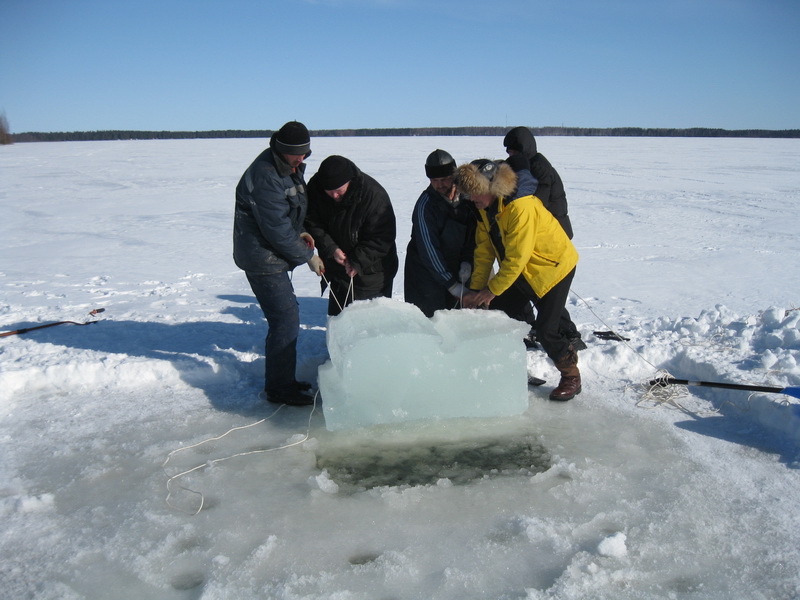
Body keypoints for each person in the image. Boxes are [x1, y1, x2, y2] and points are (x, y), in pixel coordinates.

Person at [458, 159, 582, 401]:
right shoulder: (485, 210)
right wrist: (476, 291)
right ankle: (506, 367)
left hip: (552, 269)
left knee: (547, 330)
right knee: (500, 314)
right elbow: (484, 253)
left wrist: (491, 290)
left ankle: (571, 375)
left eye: (475, 193)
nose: (471, 199)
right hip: (522, 271)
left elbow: (517, 258)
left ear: (490, 188)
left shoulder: (519, 207)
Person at [233, 121, 325, 406]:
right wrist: (308, 256)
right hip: (262, 257)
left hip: (274, 253)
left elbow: (287, 216)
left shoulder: (288, 166)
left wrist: (301, 231)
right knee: (285, 319)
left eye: (306, 154)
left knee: (286, 318)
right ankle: (279, 389)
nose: (302, 159)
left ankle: (284, 381)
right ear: (282, 150)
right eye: (298, 155)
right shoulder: (265, 176)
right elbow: (275, 228)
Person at [502, 126, 585, 350]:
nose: (510, 156)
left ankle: (568, 334)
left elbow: (537, 203)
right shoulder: (525, 166)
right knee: (532, 288)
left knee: (546, 292)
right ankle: (532, 325)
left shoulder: (539, 169)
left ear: (525, 149)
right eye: (508, 152)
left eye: (514, 152)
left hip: (551, 238)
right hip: (541, 235)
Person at [305, 155, 398, 316]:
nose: (334, 196)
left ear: (349, 182)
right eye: (330, 192)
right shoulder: (316, 189)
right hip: (338, 269)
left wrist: (357, 261)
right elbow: (312, 222)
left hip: (372, 272)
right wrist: (331, 248)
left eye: (339, 191)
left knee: (369, 323)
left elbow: (382, 238)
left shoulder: (374, 196)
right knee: (339, 320)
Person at [404, 149, 476, 317]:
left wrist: (467, 261)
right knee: (431, 319)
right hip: (426, 272)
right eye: (434, 180)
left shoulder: (468, 199)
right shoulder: (425, 205)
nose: (440, 185)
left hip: (457, 267)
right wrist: (451, 284)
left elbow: (474, 235)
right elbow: (428, 249)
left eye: (444, 179)